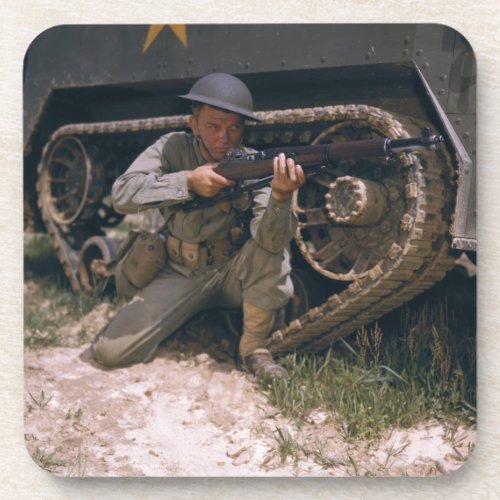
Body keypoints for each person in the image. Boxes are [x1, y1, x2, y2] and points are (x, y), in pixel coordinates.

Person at [92, 73, 305, 377]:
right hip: (179, 269)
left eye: (234, 127)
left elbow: (272, 242)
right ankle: (198, 316)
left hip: (233, 272)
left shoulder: (255, 164)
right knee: (109, 352)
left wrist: (282, 197)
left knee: (269, 252)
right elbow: (121, 194)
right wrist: (187, 182)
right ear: (194, 125)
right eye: (214, 126)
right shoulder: (172, 148)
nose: (225, 137)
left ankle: (253, 348)